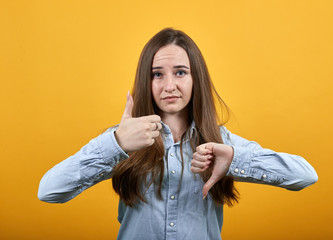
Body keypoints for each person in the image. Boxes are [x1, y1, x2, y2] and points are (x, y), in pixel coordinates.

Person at [38, 28, 318, 240]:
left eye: (181, 72)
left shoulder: (220, 142)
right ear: (145, 81)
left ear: (196, 78)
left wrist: (233, 158)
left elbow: (305, 175)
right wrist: (117, 144)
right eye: (157, 74)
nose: (169, 85)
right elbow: (49, 191)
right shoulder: (123, 140)